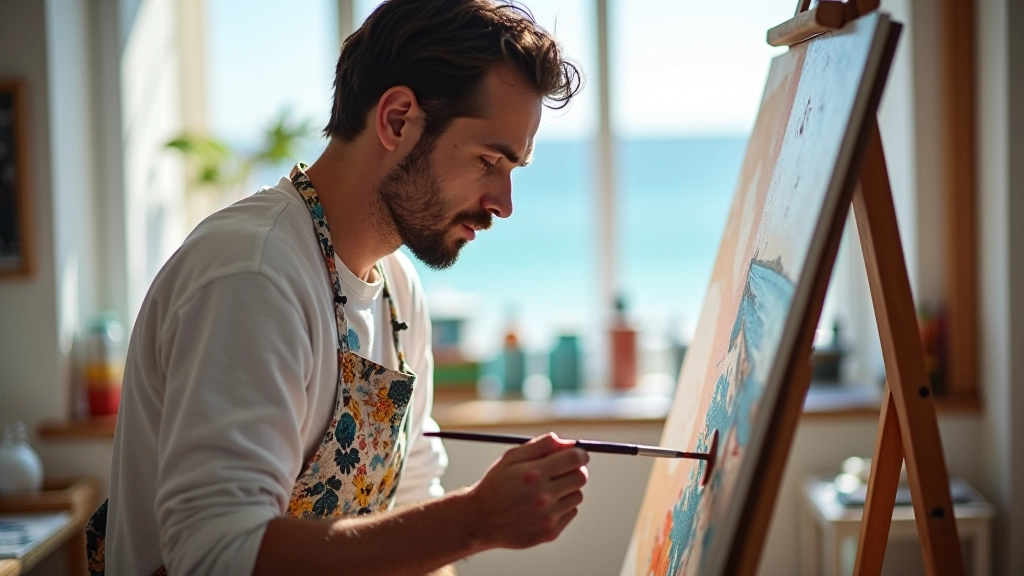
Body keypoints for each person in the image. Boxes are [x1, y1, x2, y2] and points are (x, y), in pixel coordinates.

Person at [85, 0, 590, 575]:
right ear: (397, 120)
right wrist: (476, 520)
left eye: (512, 170)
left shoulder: (399, 290)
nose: (504, 203)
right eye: (487, 160)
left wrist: (459, 530)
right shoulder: (253, 274)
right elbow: (216, 555)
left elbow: (413, 503)